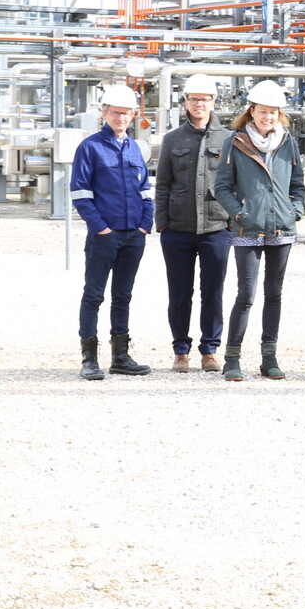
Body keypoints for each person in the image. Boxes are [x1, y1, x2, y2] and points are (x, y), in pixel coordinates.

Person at [214, 80, 305, 382]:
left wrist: (296, 210)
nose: (268, 117)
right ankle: (232, 358)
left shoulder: (287, 142)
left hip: (282, 227)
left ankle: (269, 357)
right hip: (247, 229)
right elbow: (222, 187)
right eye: (262, 111)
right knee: (246, 294)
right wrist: (239, 212)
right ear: (251, 111)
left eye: (273, 112)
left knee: (274, 294)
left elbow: (297, 183)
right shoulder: (236, 141)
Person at [71, 84, 154, 380]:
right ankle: (89, 359)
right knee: (93, 295)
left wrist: (146, 225)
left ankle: (120, 356)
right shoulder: (90, 147)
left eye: (126, 113)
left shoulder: (134, 148)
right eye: (115, 112)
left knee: (123, 296)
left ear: (133, 115)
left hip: (134, 235)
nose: (120, 117)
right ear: (104, 113)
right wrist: (101, 228)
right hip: (104, 236)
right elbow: (80, 193)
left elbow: (145, 191)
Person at [155, 74, 231, 372]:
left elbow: (235, 183)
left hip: (216, 228)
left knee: (213, 291)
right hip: (177, 229)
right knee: (179, 292)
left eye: (205, 99)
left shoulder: (228, 139)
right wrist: (162, 223)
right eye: (194, 98)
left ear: (214, 102)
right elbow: (162, 184)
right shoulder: (173, 139)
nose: (199, 104)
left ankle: (210, 350)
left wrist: (232, 222)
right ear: (185, 101)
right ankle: (181, 351)